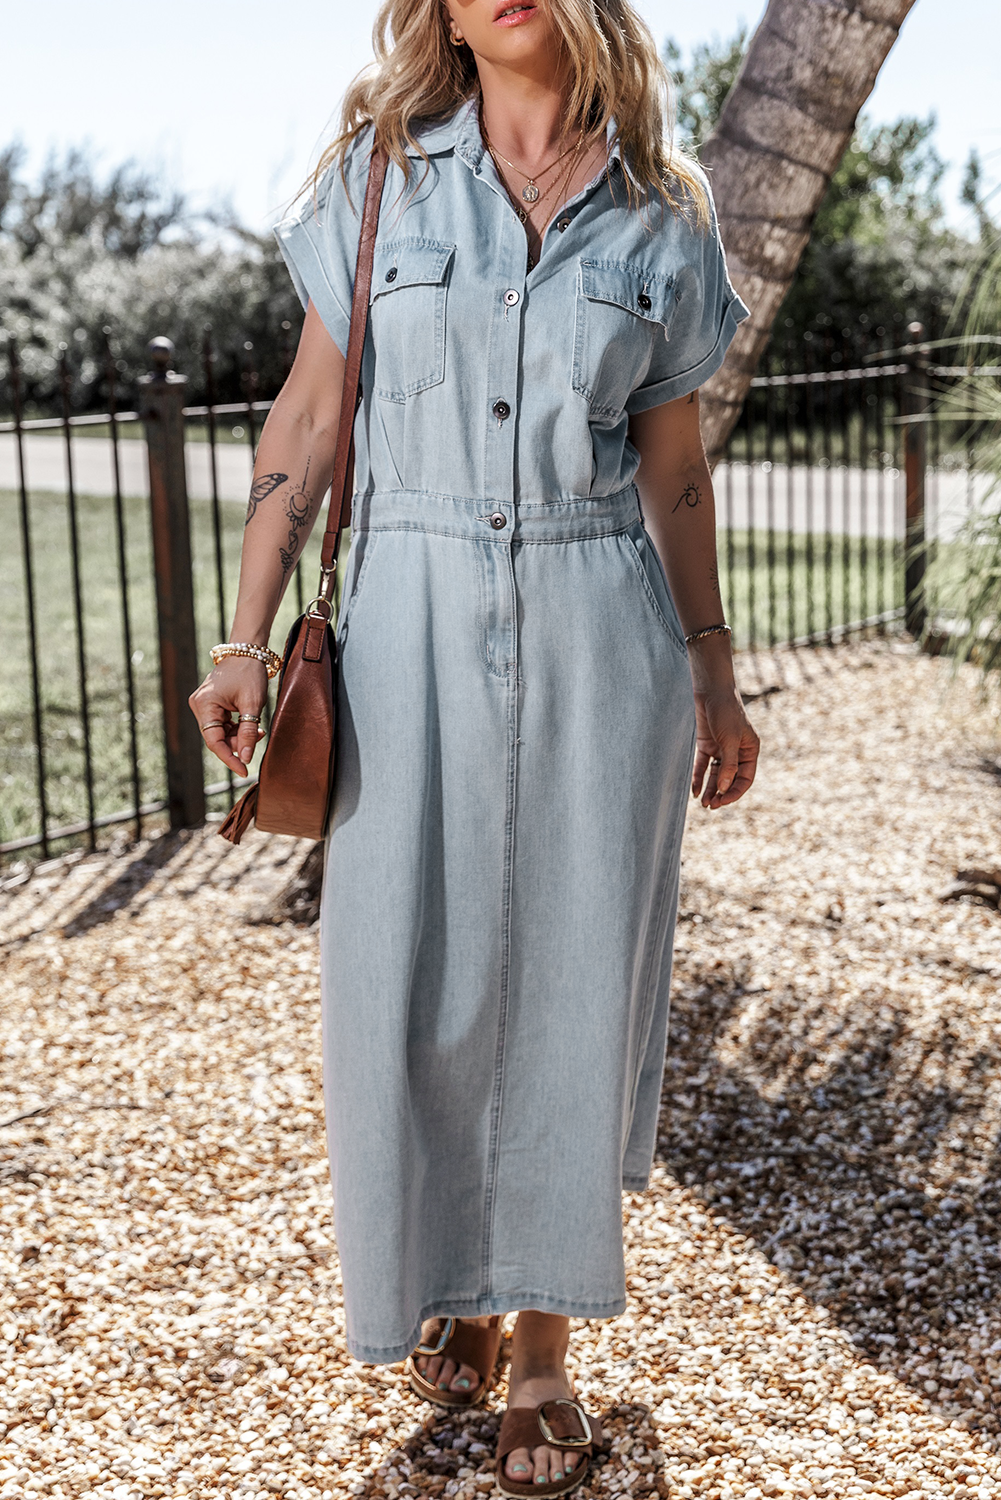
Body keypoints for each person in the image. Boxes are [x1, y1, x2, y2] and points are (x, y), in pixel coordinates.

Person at [189, 0, 760, 1493]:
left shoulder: (661, 218)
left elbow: (676, 466)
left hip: (601, 632)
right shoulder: (381, 176)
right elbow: (311, 421)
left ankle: (546, 1348)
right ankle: (440, 1266)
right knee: (409, 978)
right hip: (410, 626)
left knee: (575, 980)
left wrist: (712, 667)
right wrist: (244, 634)